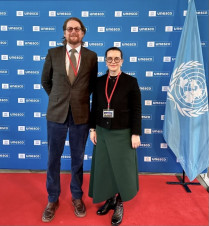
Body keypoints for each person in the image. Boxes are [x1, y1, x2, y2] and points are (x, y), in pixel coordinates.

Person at [41, 17, 98, 223]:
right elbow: (45, 81)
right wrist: (59, 99)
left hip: (81, 114)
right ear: (64, 33)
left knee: (78, 159)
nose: (73, 31)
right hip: (56, 113)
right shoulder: (53, 53)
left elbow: (91, 85)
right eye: (69, 29)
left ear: (83, 32)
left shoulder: (92, 56)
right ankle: (52, 199)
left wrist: (78, 99)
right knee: (53, 158)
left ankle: (76, 197)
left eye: (77, 28)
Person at [88, 47, 141, 226]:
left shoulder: (130, 82)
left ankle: (119, 202)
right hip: (102, 132)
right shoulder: (98, 81)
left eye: (116, 58)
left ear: (122, 61)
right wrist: (92, 129)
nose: (113, 61)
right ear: (105, 61)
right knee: (106, 168)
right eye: (109, 58)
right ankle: (110, 199)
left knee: (122, 170)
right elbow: (94, 106)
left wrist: (135, 133)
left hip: (123, 133)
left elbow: (137, 110)